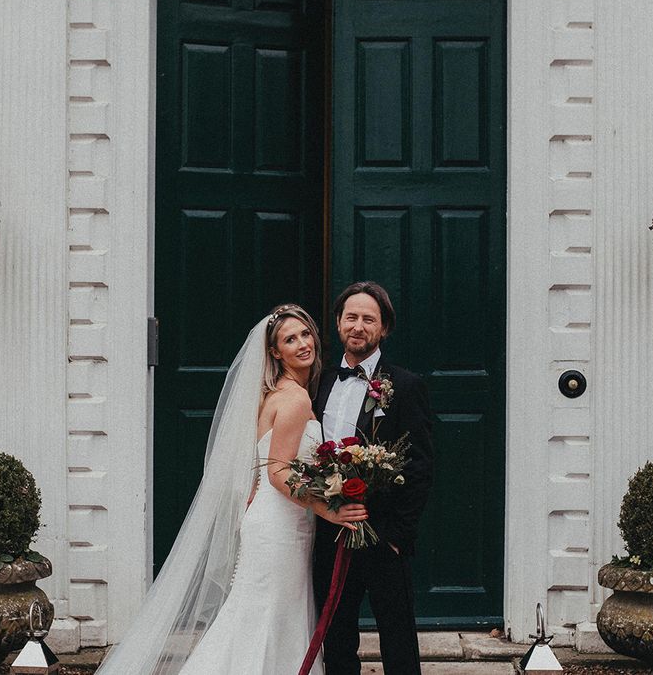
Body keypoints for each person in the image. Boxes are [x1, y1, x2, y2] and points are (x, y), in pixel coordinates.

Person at [96, 305, 367, 675]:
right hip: (280, 526)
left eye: (306, 334)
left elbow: (263, 466)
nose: (303, 344)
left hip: (279, 521)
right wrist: (328, 510)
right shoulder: (295, 399)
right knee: (265, 617)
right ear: (275, 352)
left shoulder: (274, 393)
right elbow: (277, 472)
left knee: (265, 613)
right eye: (290, 339)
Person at [313, 282, 433, 675]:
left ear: (384, 329)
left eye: (369, 319)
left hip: (383, 534)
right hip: (331, 530)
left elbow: (419, 465)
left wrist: (398, 536)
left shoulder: (405, 386)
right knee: (336, 634)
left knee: (396, 636)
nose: (358, 326)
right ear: (338, 323)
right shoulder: (321, 382)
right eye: (351, 317)